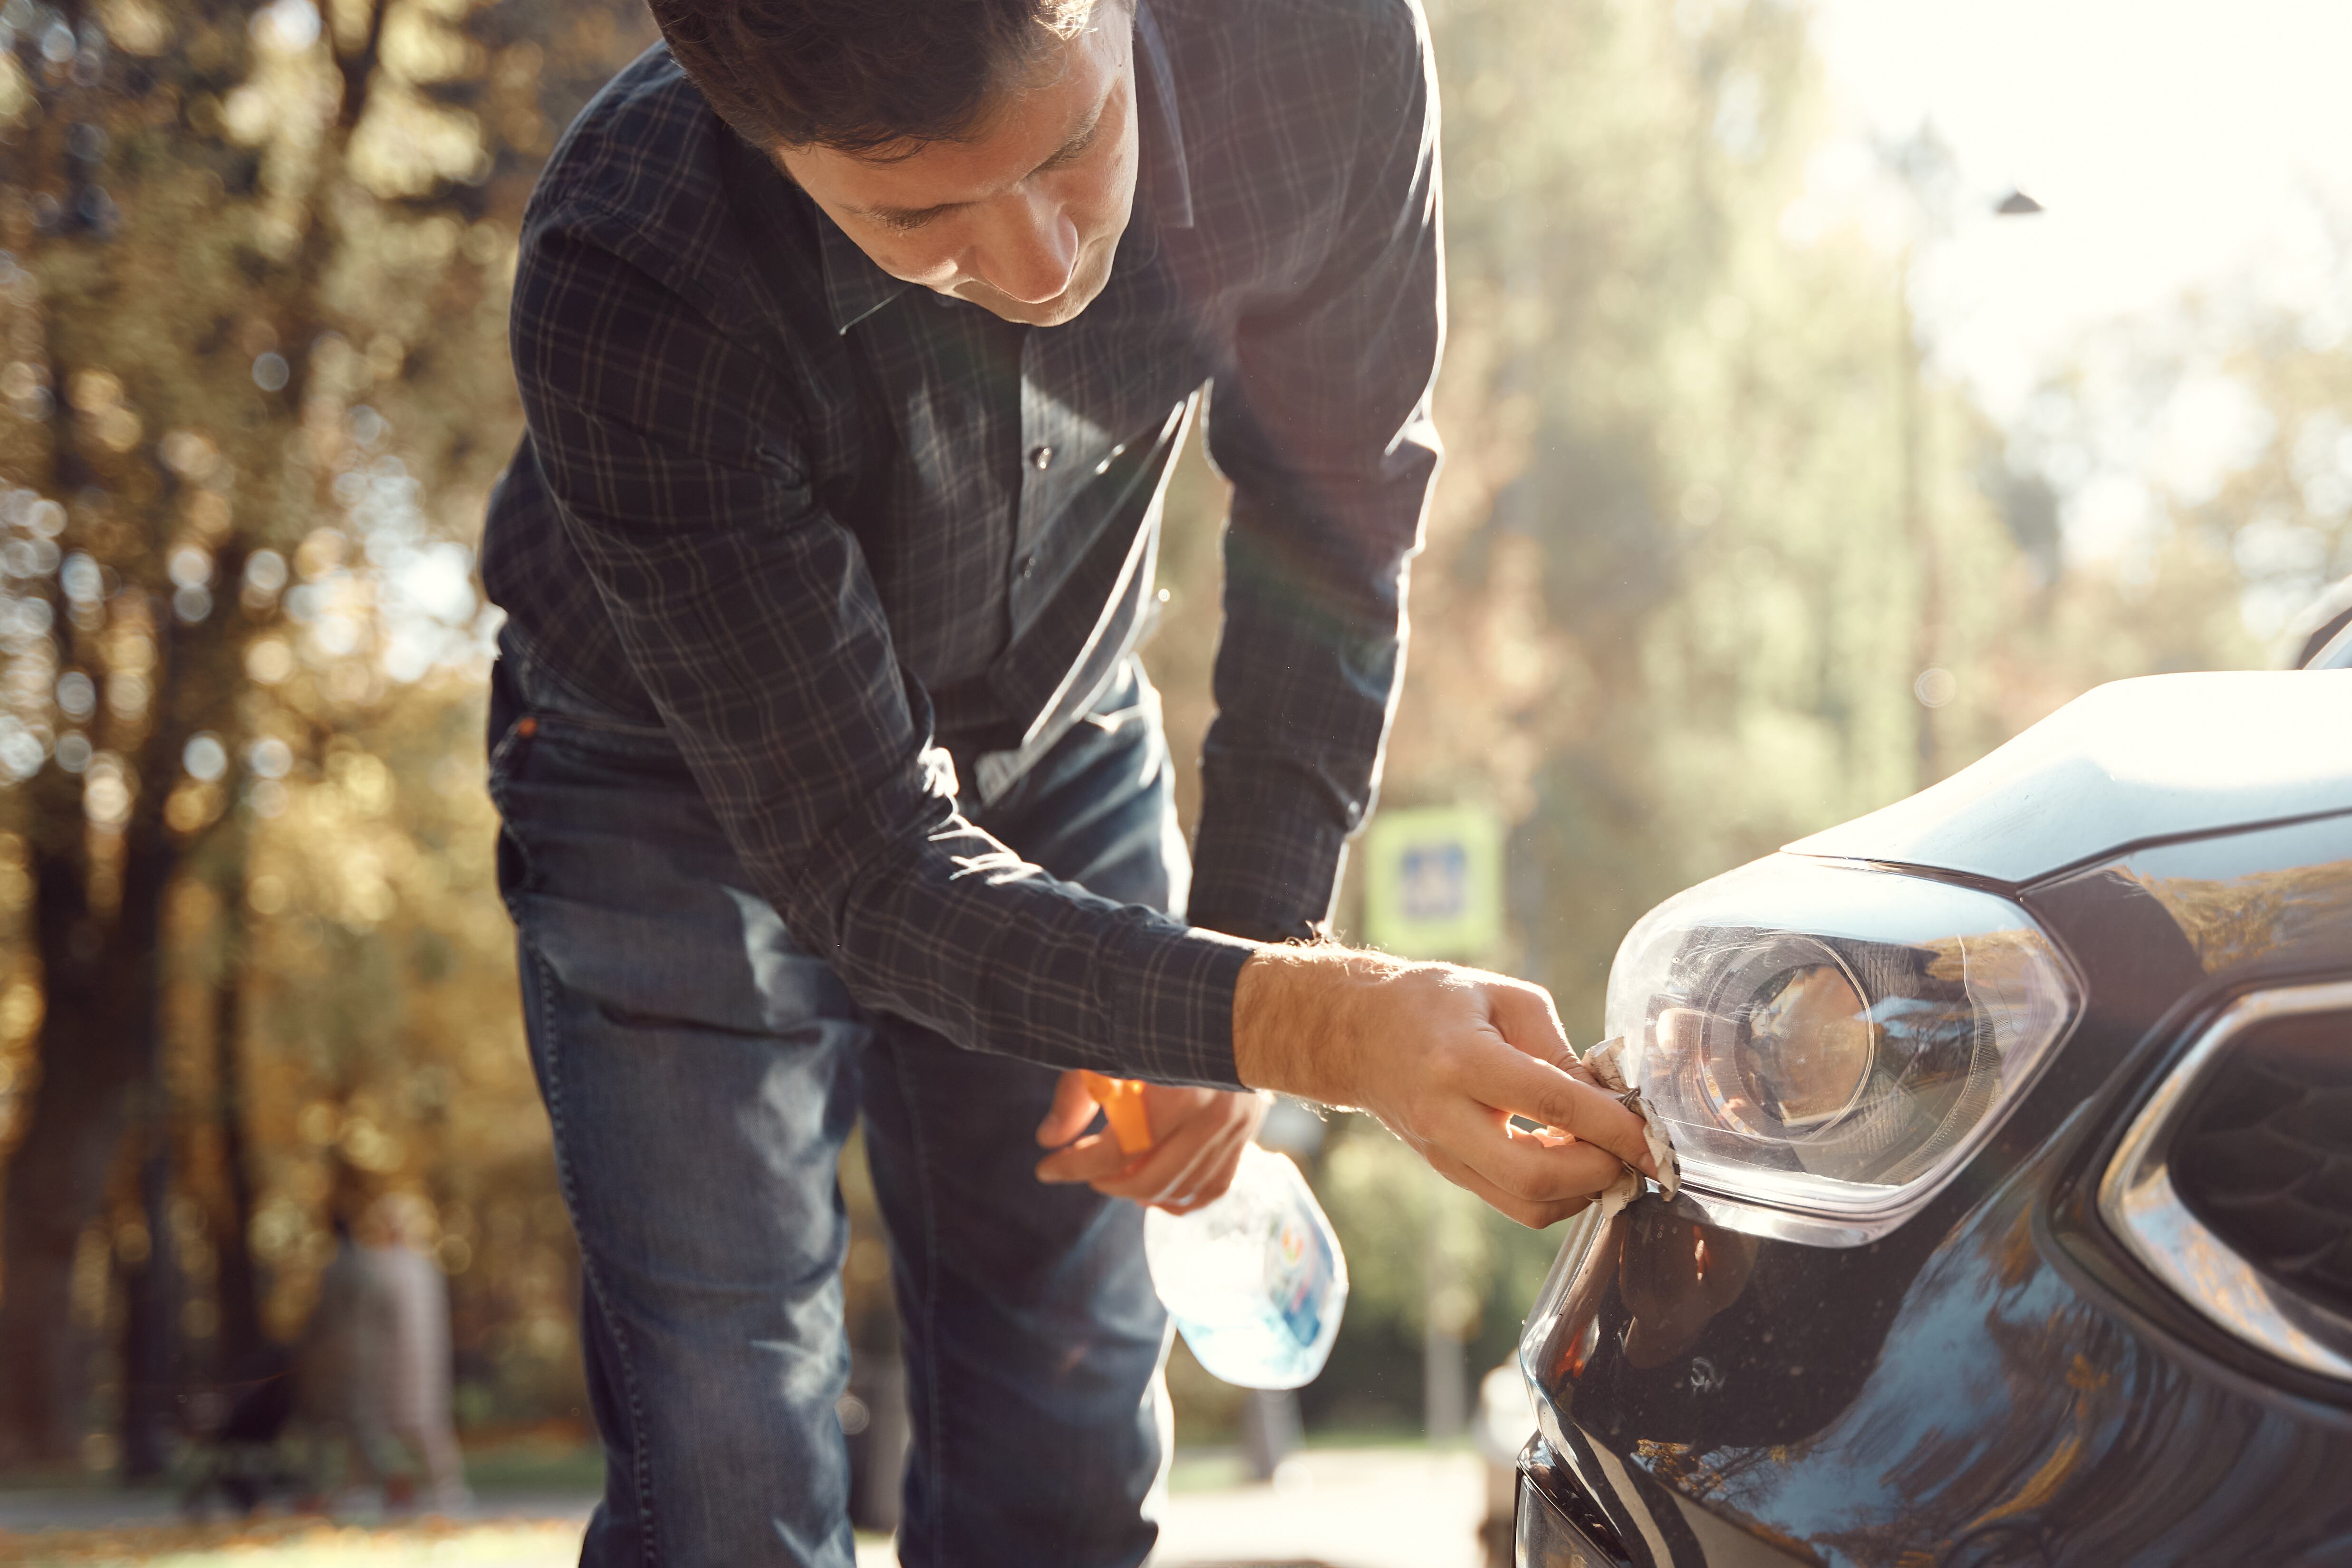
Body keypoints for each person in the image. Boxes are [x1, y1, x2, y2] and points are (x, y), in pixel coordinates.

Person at [477, 0, 1658, 1561]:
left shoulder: (1320, 50)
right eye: (919, 216)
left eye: (1077, 146)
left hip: (1060, 731)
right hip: (664, 778)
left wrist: (1256, 942)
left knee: (1069, 1448)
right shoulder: (628, 264)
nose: (1039, 269)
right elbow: (872, 874)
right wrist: (1316, 1024)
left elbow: (1336, 512)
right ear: (762, 142)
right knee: (725, 1470)